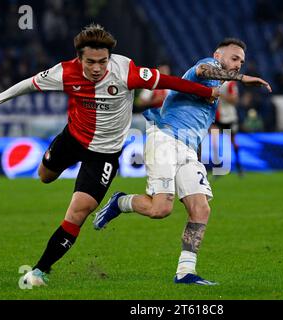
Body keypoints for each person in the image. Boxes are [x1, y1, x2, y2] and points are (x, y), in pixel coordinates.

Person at [0, 24, 219, 287]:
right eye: (90, 62)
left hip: (104, 155)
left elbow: (170, 81)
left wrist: (207, 92)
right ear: (79, 58)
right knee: (44, 176)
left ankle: (39, 271)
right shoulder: (64, 72)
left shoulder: (126, 71)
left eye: (102, 61)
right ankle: (52, 171)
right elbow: (29, 84)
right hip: (72, 139)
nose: (97, 68)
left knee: (79, 211)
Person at [93, 38, 272, 285]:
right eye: (234, 58)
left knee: (201, 208)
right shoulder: (206, 67)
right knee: (161, 209)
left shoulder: (217, 89)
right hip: (165, 138)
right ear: (218, 56)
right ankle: (120, 201)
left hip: (187, 149)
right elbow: (203, 70)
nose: (238, 64)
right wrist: (241, 79)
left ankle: (185, 272)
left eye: (241, 61)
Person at [211, 80, 243, 176]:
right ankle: (217, 168)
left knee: (233, 142)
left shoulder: (230, 84)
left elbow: (235, 100)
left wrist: (220, 94)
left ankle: (239, 167)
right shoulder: (214, 83)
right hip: (218, 116)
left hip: (229, 117)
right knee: (214, 142)